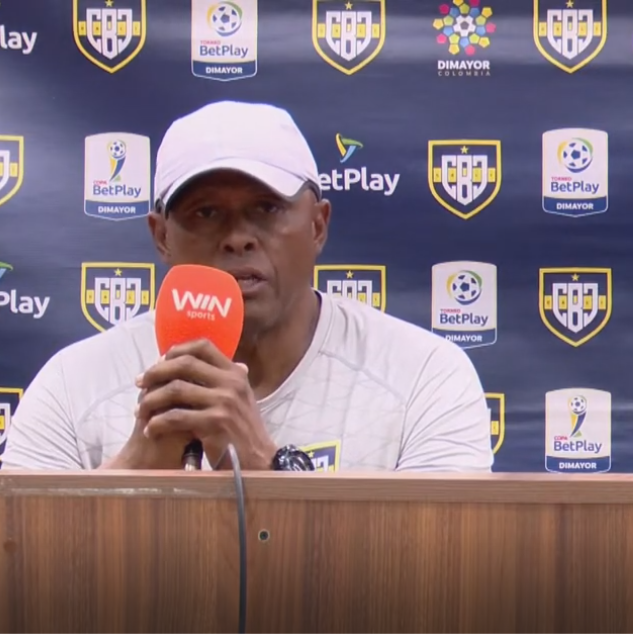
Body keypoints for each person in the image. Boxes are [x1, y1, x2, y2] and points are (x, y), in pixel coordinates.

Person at [2, 101, 494, 473]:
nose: (238, 238)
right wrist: (133, 472)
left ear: (318, 225)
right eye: (206, 213)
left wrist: (262, 465)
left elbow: (439, 568)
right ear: (161, 237)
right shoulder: (73, 384)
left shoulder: (423, 377)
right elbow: (21, 565)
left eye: (266, 208)